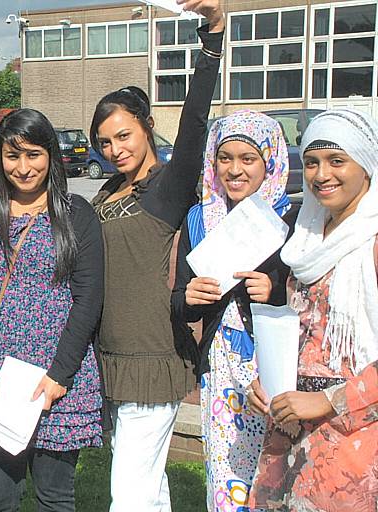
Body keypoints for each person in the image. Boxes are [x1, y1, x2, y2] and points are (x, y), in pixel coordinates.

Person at [87, 1, 224, 510]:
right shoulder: (106, 194)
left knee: (129, 491)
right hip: (114, 356)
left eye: (124, 135)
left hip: (155, 357)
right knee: (146, 480)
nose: (115, 148)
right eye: (105, 142)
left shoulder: (167, 186)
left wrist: (211, 34)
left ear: (147, 127)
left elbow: (194, 119)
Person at [0, 108, 104, 512]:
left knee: (55, 498)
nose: (23, 168)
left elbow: (88, 298)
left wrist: (61, 373)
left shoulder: (77, 214)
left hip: (55, 383)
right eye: (12, 155)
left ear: (51, 157)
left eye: (33, 154)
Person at [247, 109, 378, 511]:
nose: (322, 175)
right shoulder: (304, 238)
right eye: (311, 163)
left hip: (353, 432)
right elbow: (301, 329)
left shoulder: (371, 241)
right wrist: (265, 377)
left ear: (367, 166)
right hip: (288, 425)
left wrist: (328, 401)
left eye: (337, 161)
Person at [171, 110, 298, 511]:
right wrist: (189, 298)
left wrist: (277, 292)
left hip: (273, 369)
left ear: (270, 161)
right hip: (220, 366)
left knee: (276, 475)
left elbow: (315, 306)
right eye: (225, 158)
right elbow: (178, 303)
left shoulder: (292, 221)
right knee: (226, 479)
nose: (235, 170)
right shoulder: (200, 220)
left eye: (248, 159)